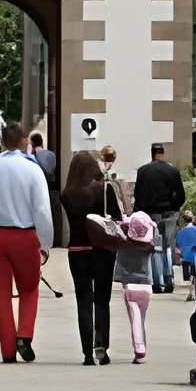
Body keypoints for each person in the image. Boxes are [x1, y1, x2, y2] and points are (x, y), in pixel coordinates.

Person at [0, 118, 53, 362]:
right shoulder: (32, 169)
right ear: (24, 141)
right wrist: (46, 243)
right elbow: (41, 210)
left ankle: (7, 349)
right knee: (29, 288)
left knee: (0, 293)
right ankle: (24, 335)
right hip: (24, 234)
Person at [61, 147, 117, 365]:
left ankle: (86, 352)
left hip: (77, 252)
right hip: (102, 251)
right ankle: (101, 346)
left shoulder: (67, 194)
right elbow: (117, 219)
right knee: (102, 300)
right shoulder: (104, 190)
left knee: (83, 301)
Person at [132, 142, 186, 295]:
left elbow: (138, 195)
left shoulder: (143, 171)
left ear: (152, 153)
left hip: (151, 214)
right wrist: (174, 206)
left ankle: (156, 282)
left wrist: (140, 212)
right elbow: (181, 194)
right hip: (169, 213)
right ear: (163, 153)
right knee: (168, 245)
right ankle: (169, 279)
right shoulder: (173, 171)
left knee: (155, 247)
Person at [114, 210, 158, 362]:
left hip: (129, 283)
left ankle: (139, 348)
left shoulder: (123, 242)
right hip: (146, 283)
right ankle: (140, 346)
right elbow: (157, 236)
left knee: (135, 318)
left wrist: (124, 223)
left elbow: (113, 228)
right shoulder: (149, 246)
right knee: (140, 318)